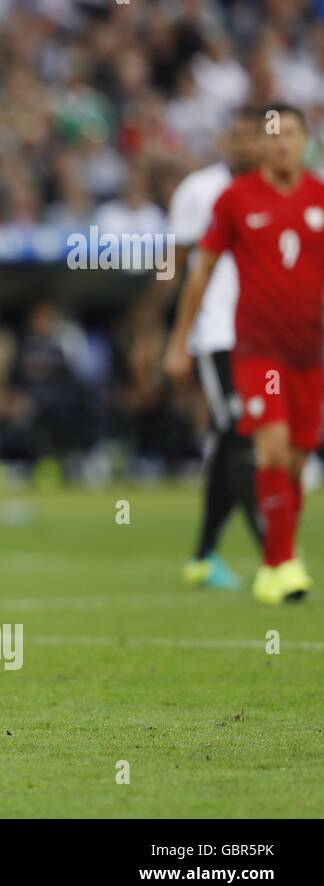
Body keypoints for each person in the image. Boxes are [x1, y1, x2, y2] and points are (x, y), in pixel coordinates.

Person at [165, 103, 324, 605]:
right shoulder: (233, 199)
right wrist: (178, 340)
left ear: (304, 140)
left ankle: (257, 556)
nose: (281, 143)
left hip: (309, 352)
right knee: (264, 444)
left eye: (290, 133)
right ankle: (279, 563)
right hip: (253, 347)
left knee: (295, 459)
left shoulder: (319, 197)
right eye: (272, 135)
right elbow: (198, 268)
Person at [165, 107, 264, 590]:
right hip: (218, 332)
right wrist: (169, 336)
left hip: (268, 337)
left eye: (253, 136)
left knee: (232, 437)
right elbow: (176, 265)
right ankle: (274, 552)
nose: (244, 145)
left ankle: (204, 555)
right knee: (241, 431)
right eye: (237, 136)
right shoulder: (200, 191)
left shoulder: (280, 192)